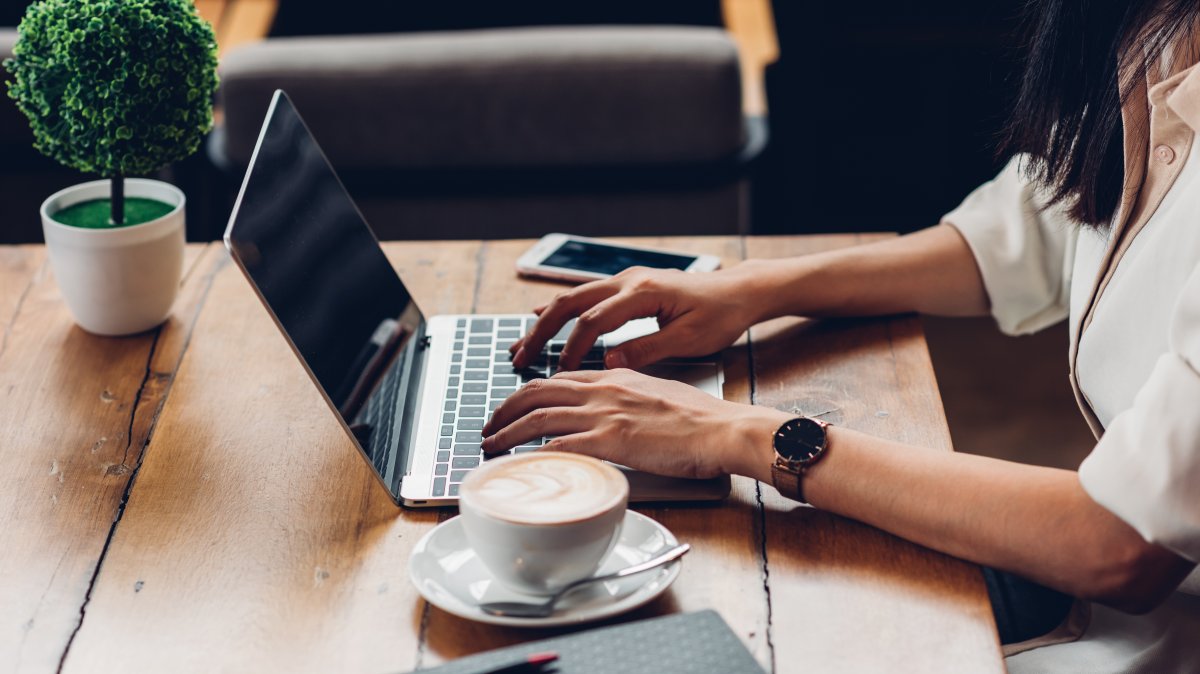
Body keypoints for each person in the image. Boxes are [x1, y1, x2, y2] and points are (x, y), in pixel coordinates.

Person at [479, 2, 1200, 672]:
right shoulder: (1156, 26)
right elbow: (1040, 226)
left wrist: (735, 433)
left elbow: (1119, 544)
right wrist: (759, 287)